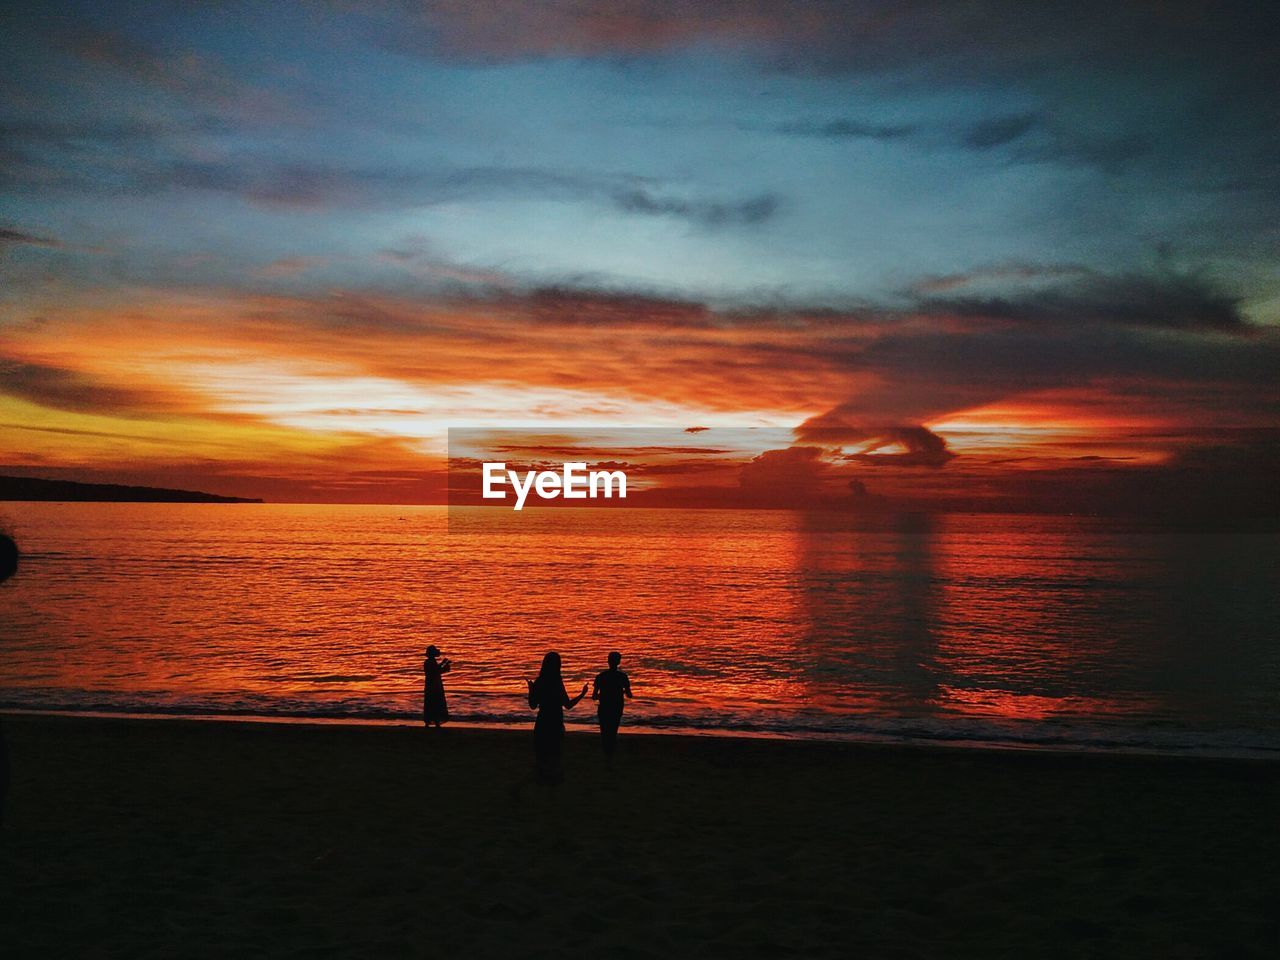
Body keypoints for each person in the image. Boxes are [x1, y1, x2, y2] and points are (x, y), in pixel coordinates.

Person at [526, 652, 586, 785]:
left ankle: (542, 778)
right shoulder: (557, 682)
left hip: (543, 719)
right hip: (555, 719)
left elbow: (532, 705)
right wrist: (582, 694)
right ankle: (554, 780)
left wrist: (531, 690)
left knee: (541, 751)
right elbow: (568, 705)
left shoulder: (540, 681)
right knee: (555, 751)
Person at [592, 651, 632, 759]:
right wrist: (620, 692)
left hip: (604, 707)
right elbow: (630, 695)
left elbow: (594, 696)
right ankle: (611, 753)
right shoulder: (622, 676)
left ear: (608, 661)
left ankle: (606, 753)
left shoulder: (601, 676)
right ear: (619, 662)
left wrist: (604, 694)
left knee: (604, 731)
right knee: (613, 730)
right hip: (617, 706)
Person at [422, 645, 451, 728]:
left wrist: (443, 664)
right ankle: (436, 722)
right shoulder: (430, 662)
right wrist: (445, 666)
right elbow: (436, 671)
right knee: (436, 703)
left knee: (430, 703)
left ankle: (428, 722)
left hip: (430, 685)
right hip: (434, 685)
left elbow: (436, 670)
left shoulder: (428, 662)